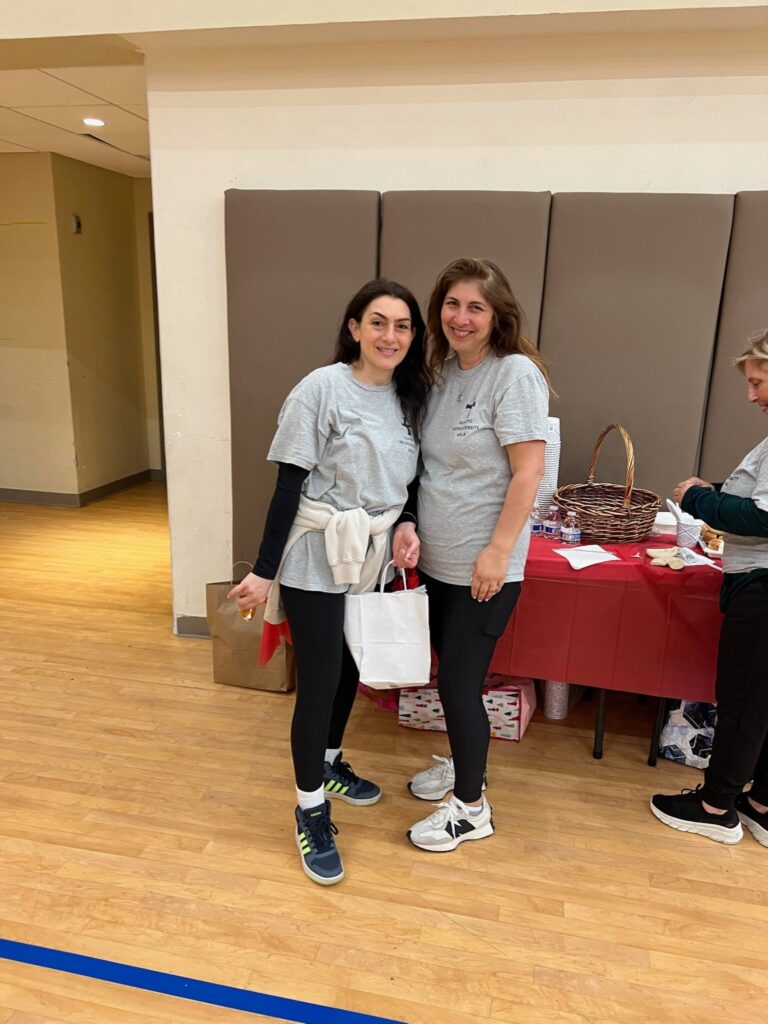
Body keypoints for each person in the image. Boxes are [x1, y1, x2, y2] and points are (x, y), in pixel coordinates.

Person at [229, 279, 429, 884]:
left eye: (402, 325)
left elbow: (409, 483)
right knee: (319, 681)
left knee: (349, 670)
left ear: (413, 336)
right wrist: (264, 571)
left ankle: (330, 763)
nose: (389, 336)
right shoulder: (321, 389)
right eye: (377, 322)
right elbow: (288, 485)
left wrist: (408, 522)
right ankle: (310, 809)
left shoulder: (411, 397)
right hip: (318, 553)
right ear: (354, 328)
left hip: (372, 553)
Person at [390, 257, 553, 852]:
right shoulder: (441, 372)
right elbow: (427, 468)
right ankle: (467, 769)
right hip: (436, 561)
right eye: (452, 305)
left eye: (475, 307)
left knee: (460, 685)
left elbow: (528, 472)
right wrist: (409, 522)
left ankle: (471, 808)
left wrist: (498, 551)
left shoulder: (514, 375)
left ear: (497, 314)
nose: (461, 318)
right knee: (449, 678)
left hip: (483, 567)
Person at [651, 329, 768, 847]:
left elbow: (761, 518)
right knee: (763, 704)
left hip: (761, 588)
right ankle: (761, 803)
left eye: (758, 382)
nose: (751, 395)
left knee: (743, 703)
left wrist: (698, 498)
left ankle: (715, 807)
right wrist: (716, 491)